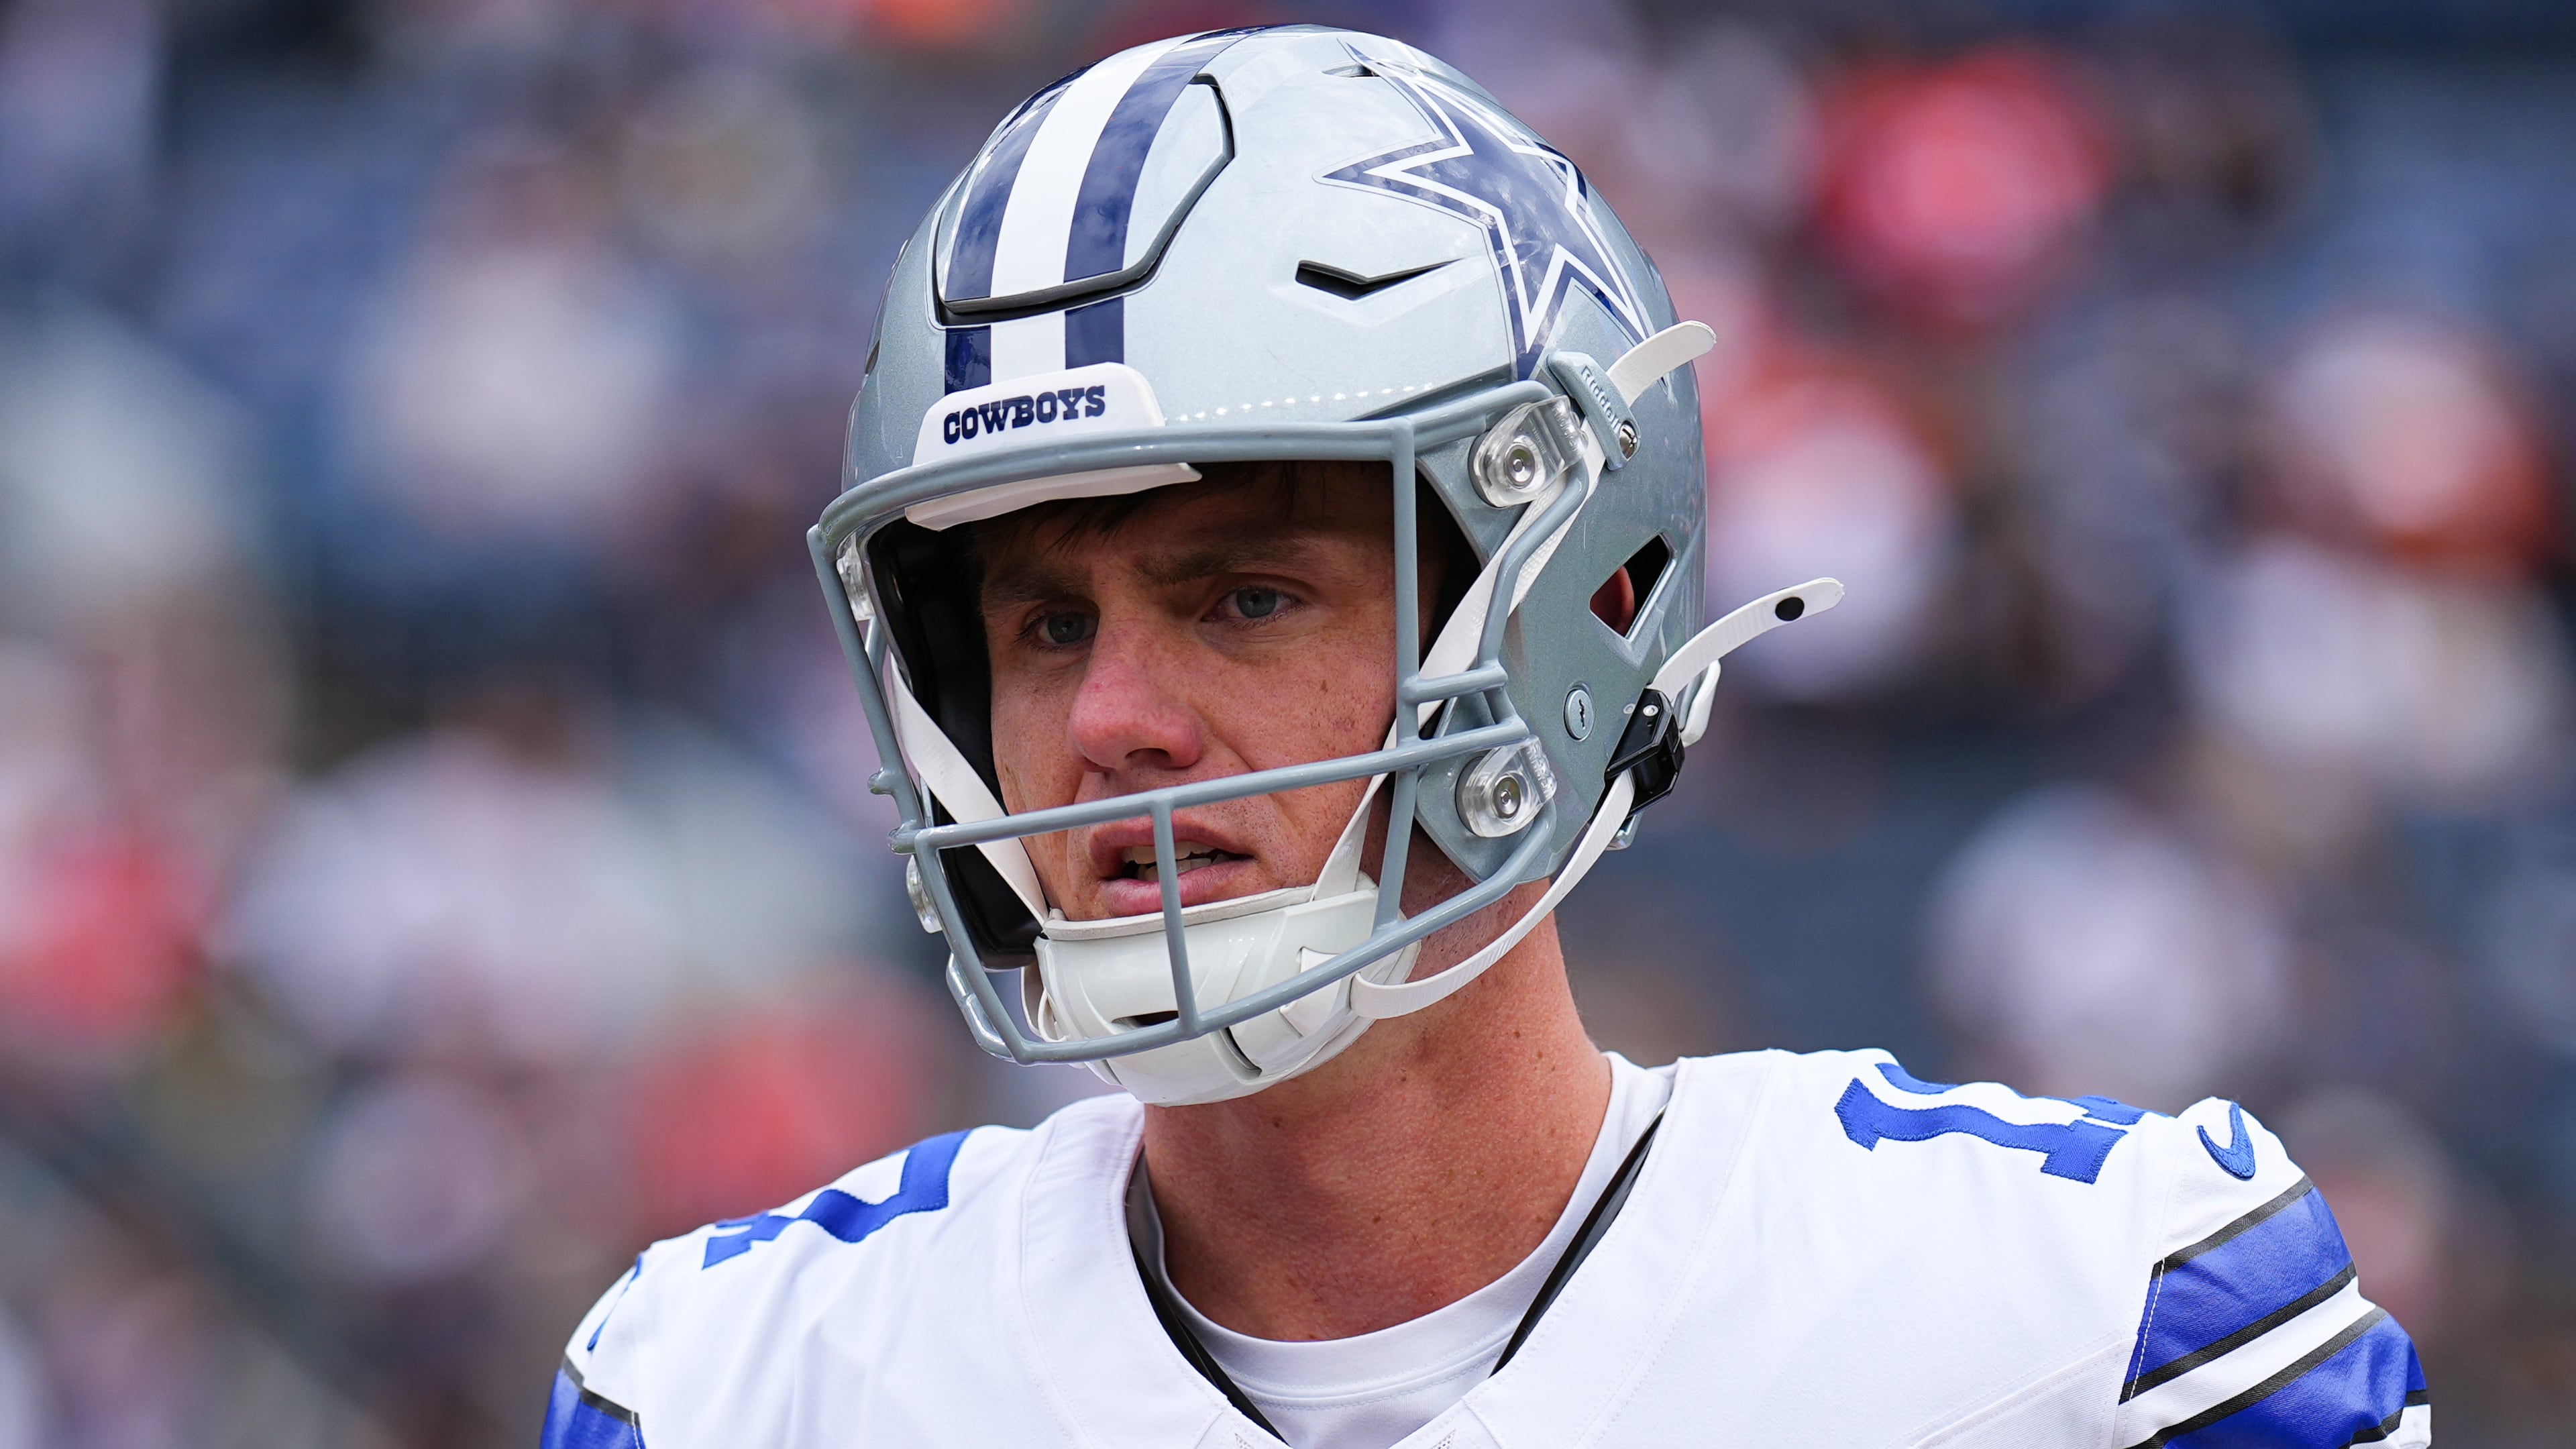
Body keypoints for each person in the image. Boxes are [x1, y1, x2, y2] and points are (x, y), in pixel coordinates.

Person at [542, 25, 2430, 1449]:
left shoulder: (2102, 1322)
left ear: (1575, 613)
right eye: (1043, 626)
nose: (1109, 720)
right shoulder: (726, 1386)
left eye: (1245, 598)